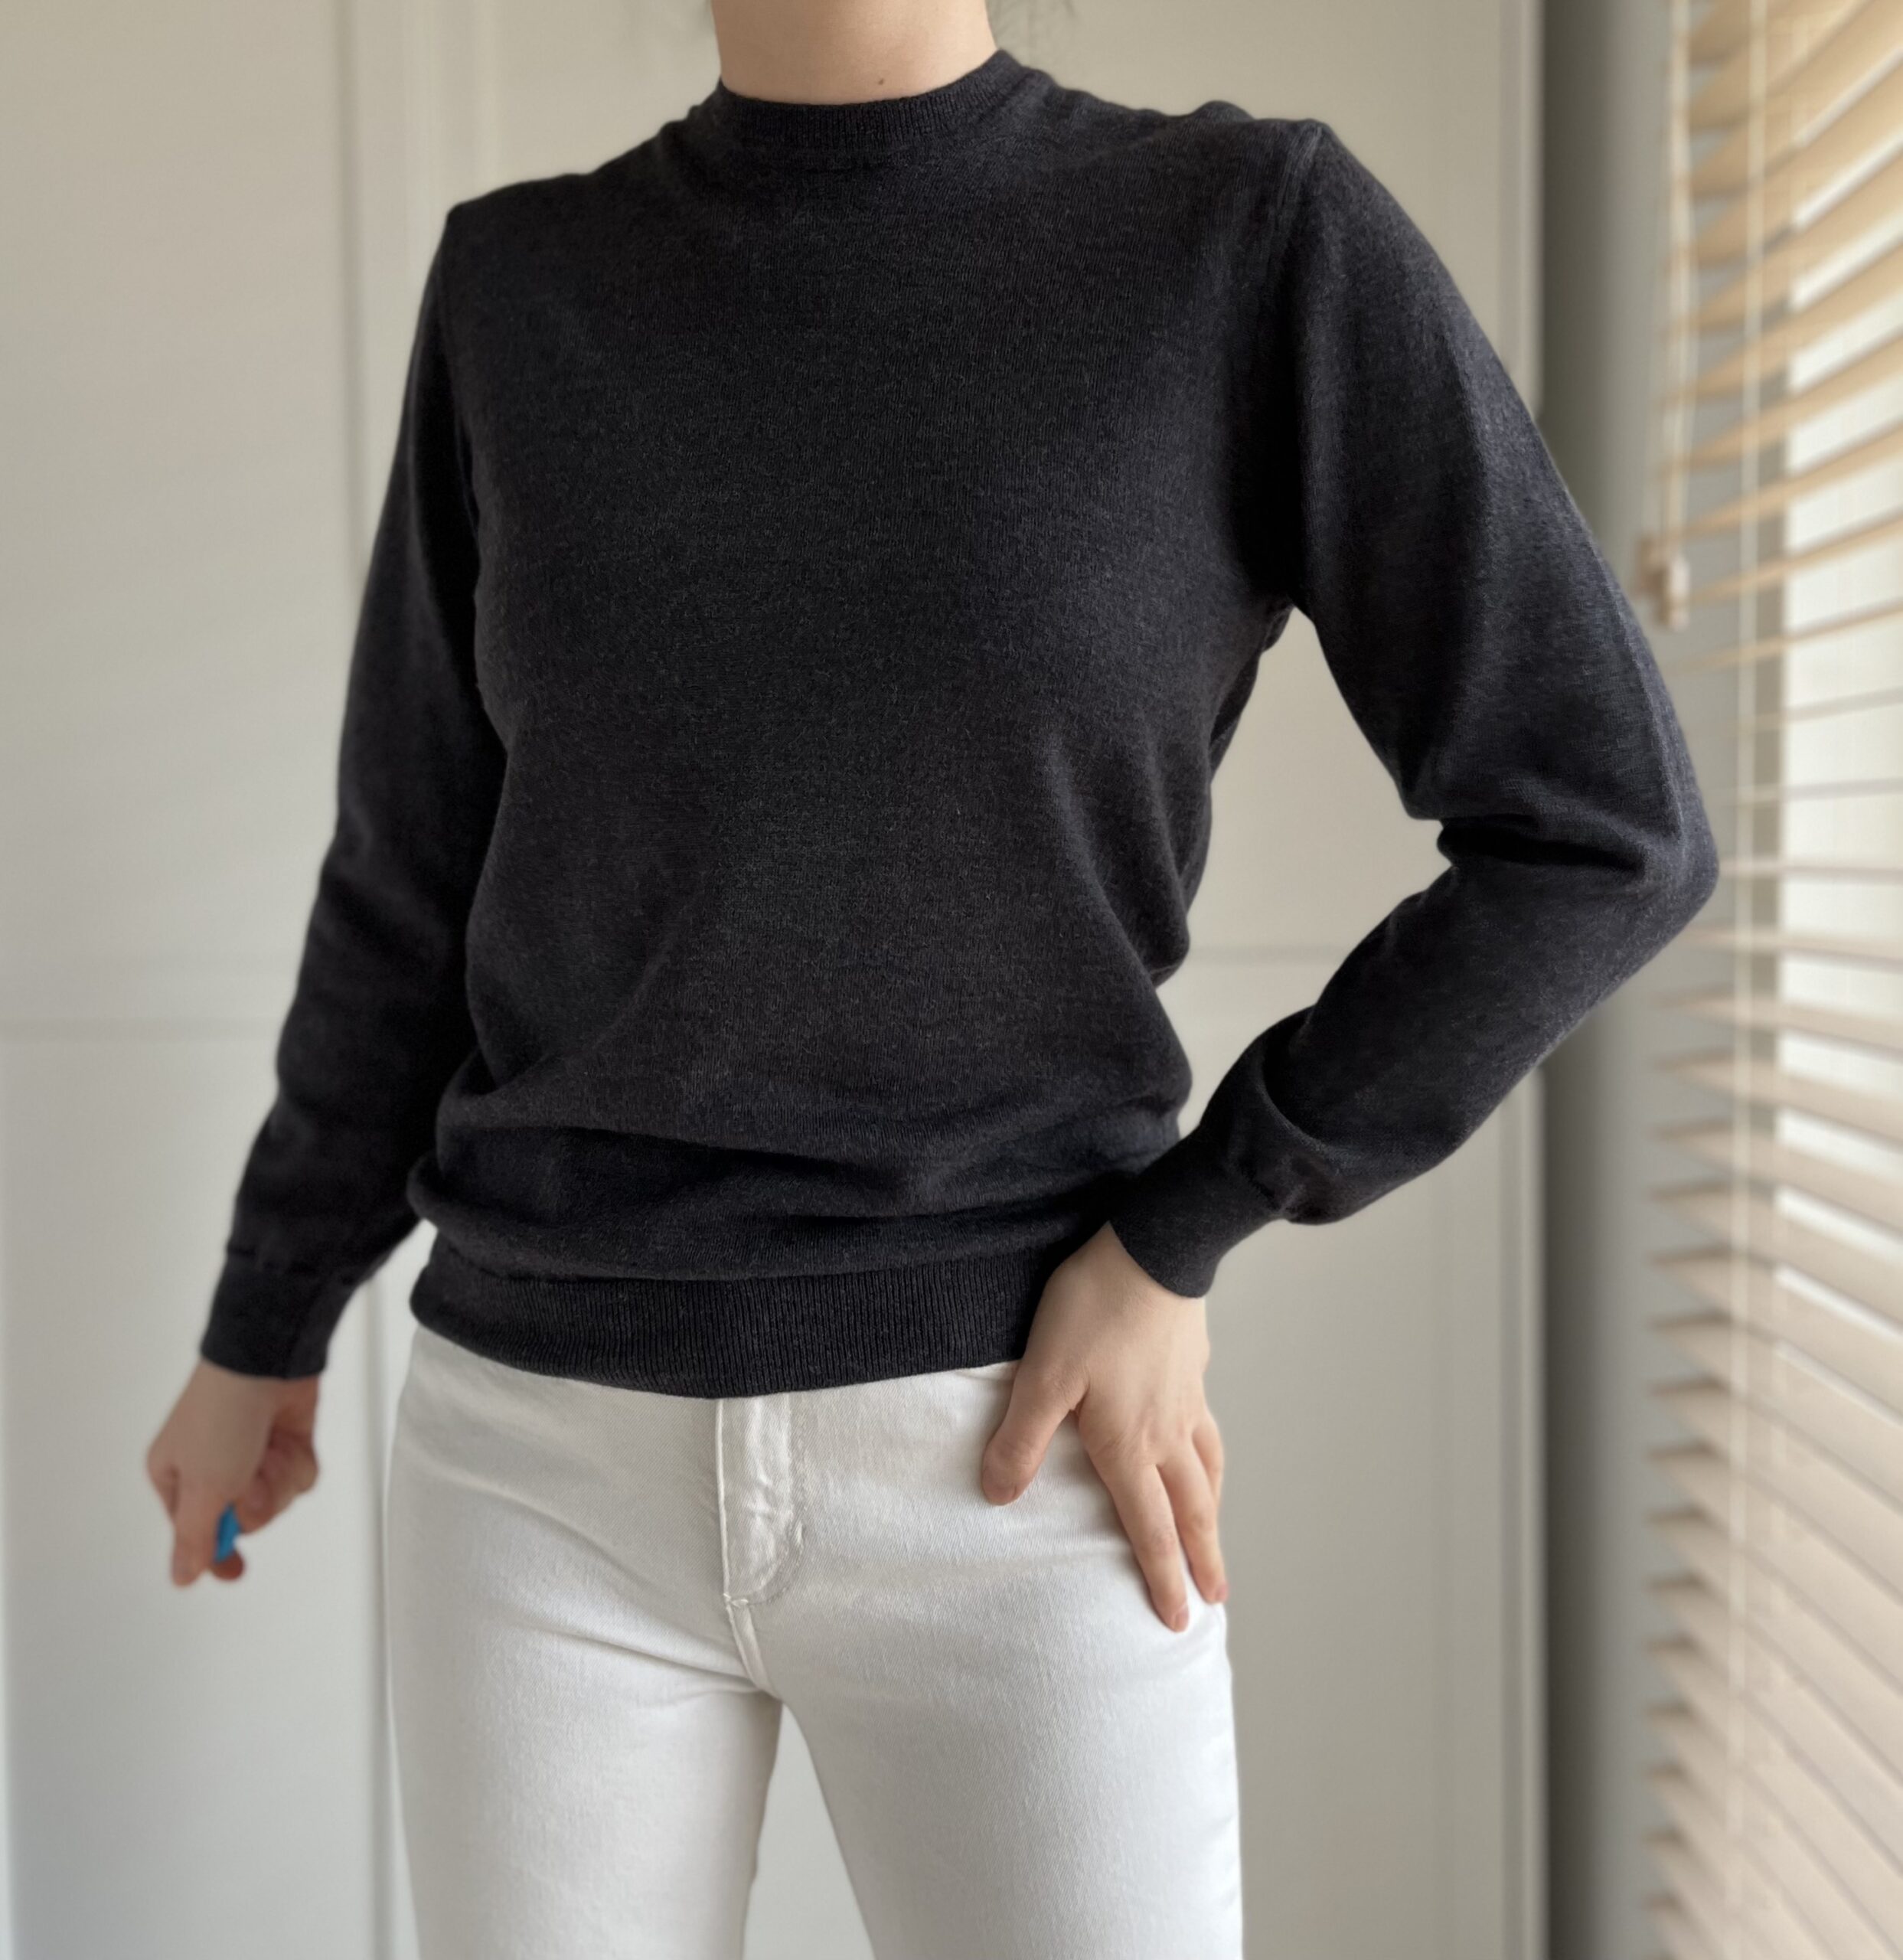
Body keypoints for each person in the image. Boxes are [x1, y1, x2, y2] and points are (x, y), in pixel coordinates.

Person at [145, 5, 1719, 1955]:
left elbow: (1603, 826)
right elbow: (411, 876)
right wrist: (263, 1316)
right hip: (537, 1462)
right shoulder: (519, 287)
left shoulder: (1243, 238)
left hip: (1016, 1443)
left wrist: (1190, 1222)